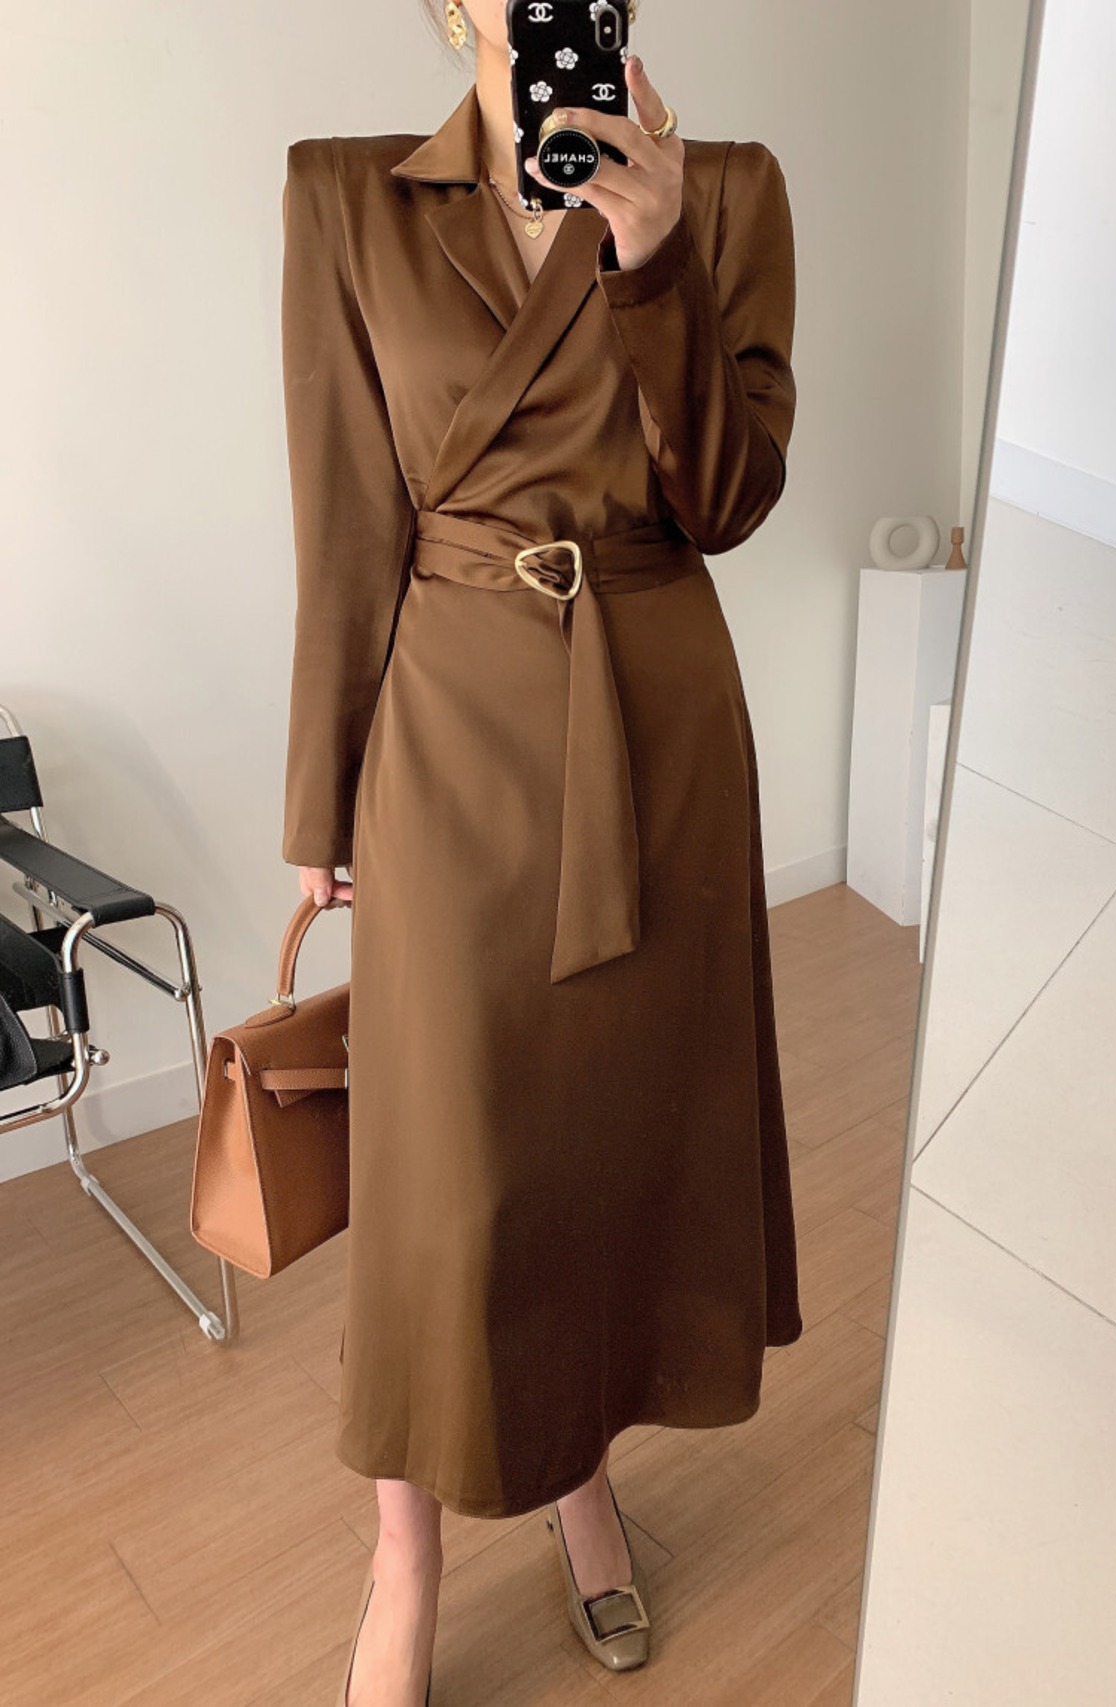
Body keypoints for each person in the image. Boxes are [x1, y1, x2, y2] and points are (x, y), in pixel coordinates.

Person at [279, 2, 804, 1701]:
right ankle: (404, 1559)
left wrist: (656, 260)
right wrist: (319, 798)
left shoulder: (726, 190)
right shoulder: (348, 196)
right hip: (448, 736)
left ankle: (584, 1487)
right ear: (451, 6)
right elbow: (345, 515)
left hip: (655, 730)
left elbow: (726, 500)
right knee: (441, 1163)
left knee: (607, 1146)